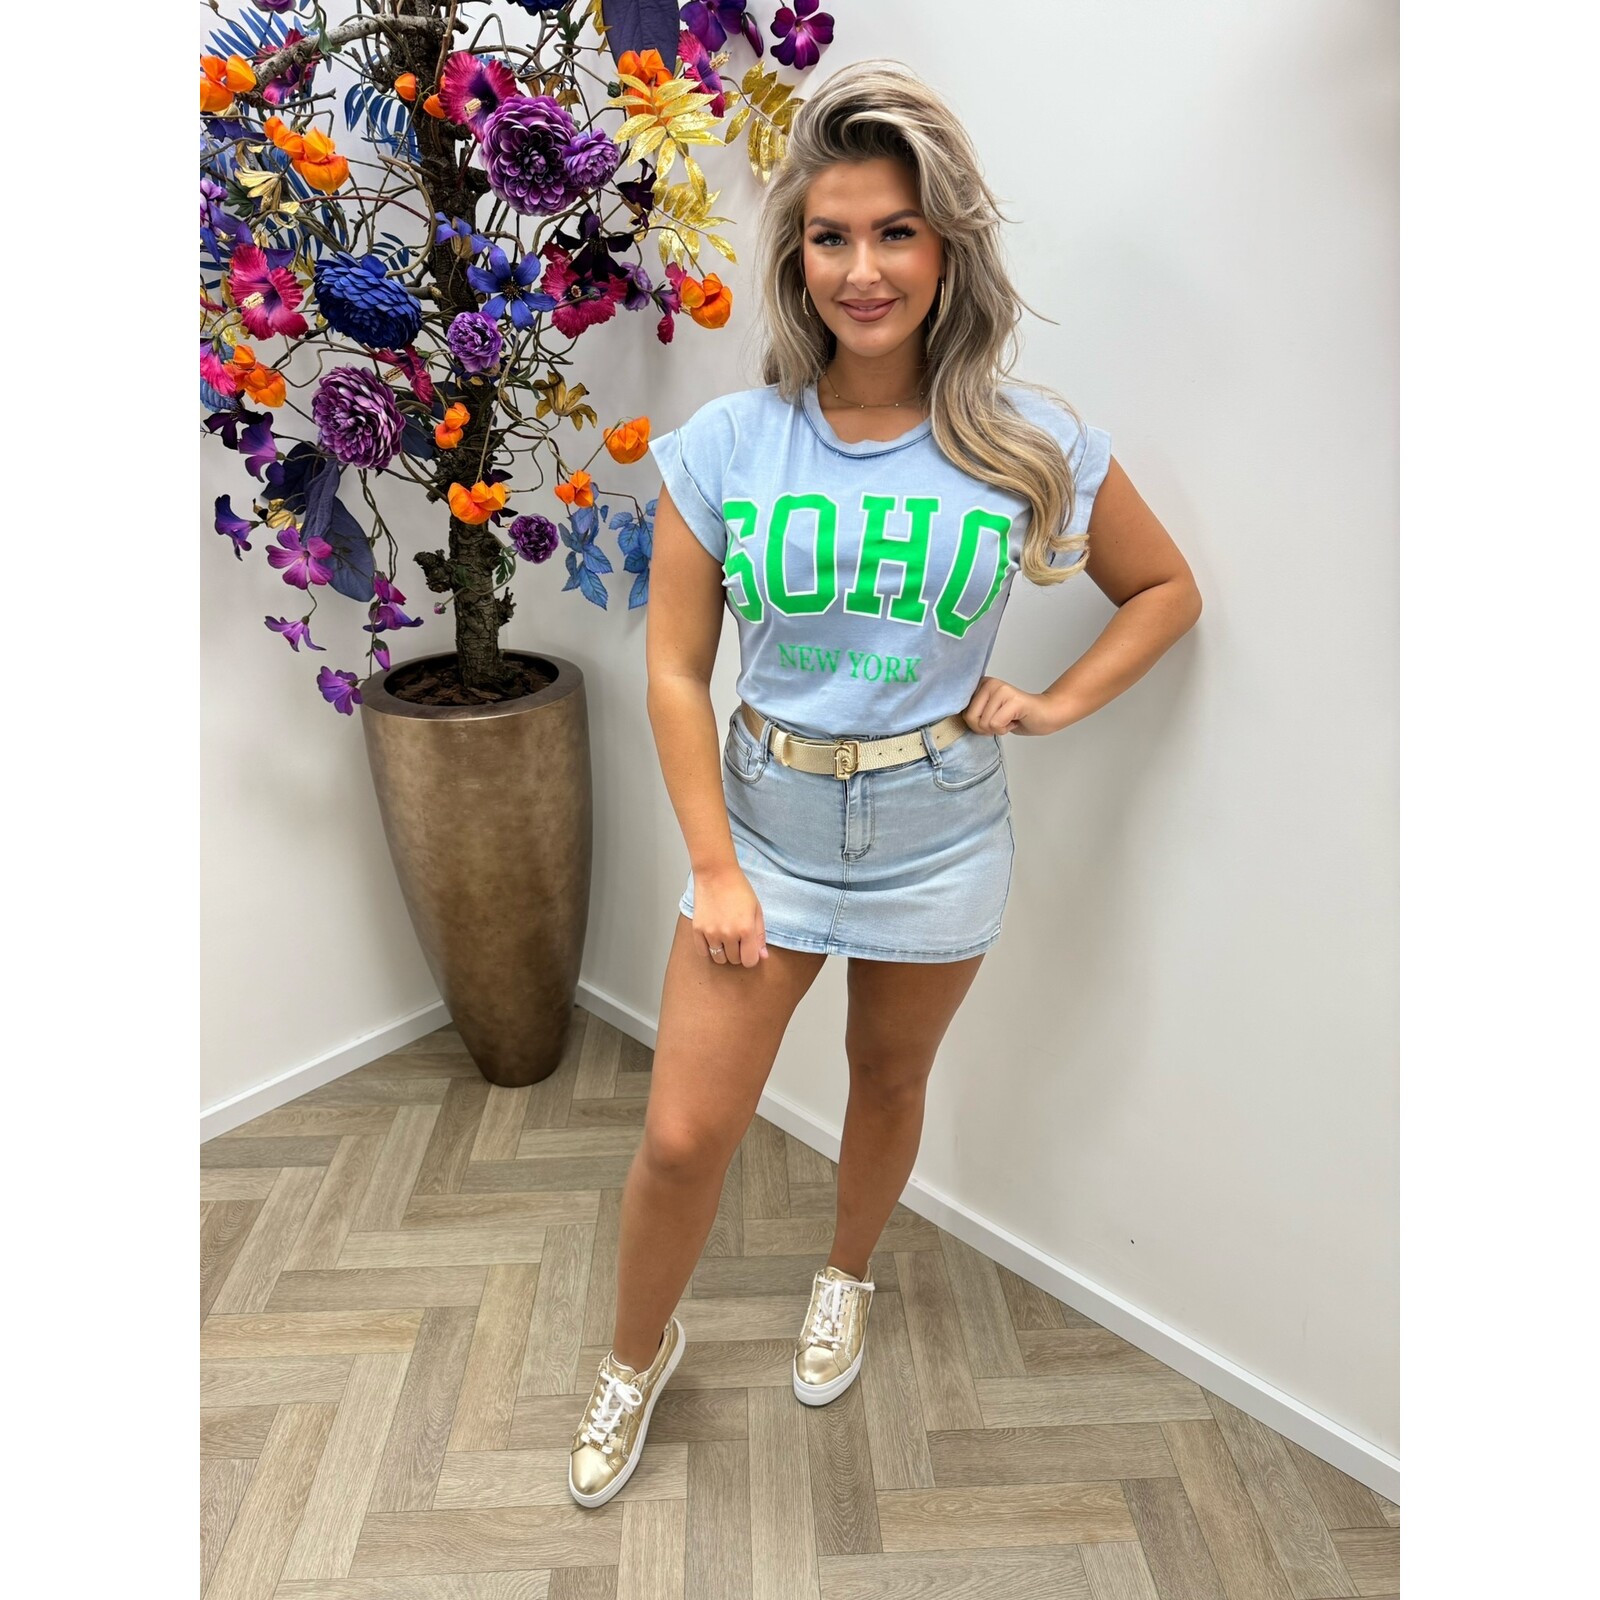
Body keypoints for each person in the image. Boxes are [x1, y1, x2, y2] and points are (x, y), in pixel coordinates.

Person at [568, 57, 1202, 1508]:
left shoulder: (1023, 442)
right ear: (798, 256)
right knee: (684, 1135)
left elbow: (1164, 589)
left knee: (888, 1078)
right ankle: (633, 1354)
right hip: (766, 830)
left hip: (940, 830)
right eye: (832, 235)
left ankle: (844, 1273)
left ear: (946, 248)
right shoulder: (730, 445)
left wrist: (1052, 703)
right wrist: (716, 869)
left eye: (896, 233)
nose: (863, 269)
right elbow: (673, 670)